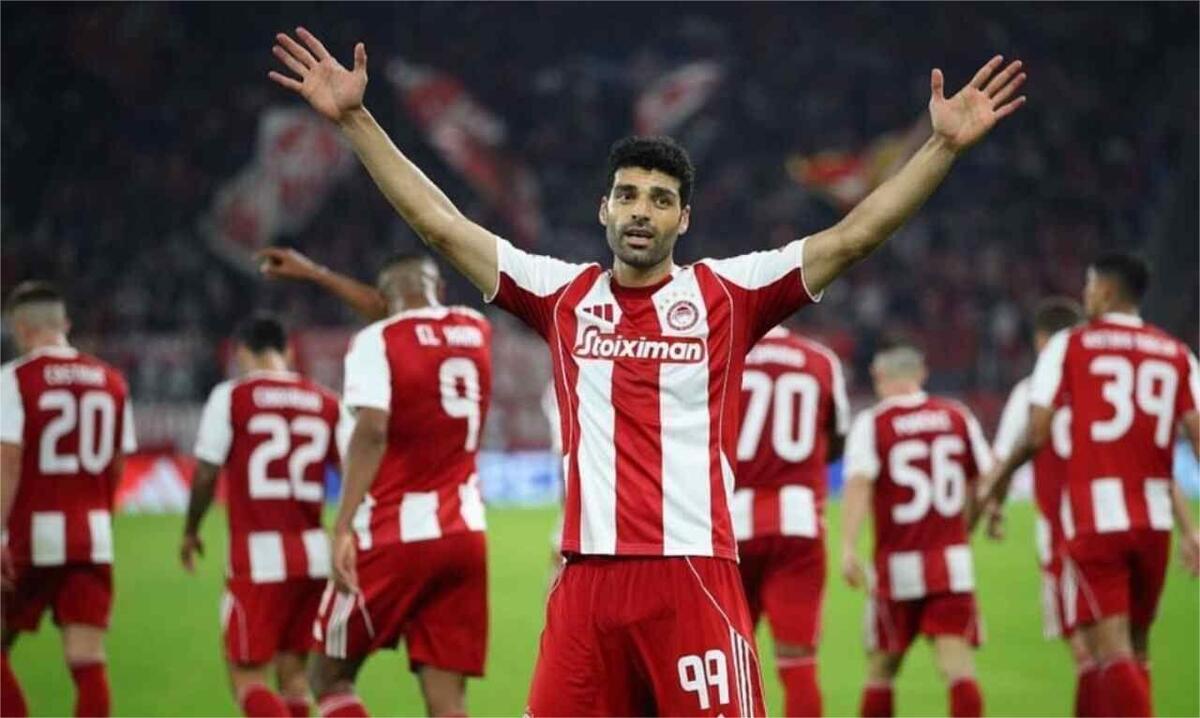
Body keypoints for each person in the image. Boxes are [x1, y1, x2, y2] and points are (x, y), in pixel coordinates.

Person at [268, 26, 1026, 715]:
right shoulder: (562, 296)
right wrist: (355, 121)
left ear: (683, 219)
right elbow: (441, 225)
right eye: (628, 196)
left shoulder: (728, 294)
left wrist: (941, 149)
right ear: (604, 208)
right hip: (587, 586)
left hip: (691, 575)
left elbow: (854, 235)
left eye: (661, 200)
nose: (641, 210)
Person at [275, 253, 492, 718]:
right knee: (448, 700)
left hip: (394, 535)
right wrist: (317, 272)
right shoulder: (476, 329)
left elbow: (372, 430)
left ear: (384, 298)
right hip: (465, 536)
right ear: (438, 289)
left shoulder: (375, 341)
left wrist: (342, 525)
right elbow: (409, 321)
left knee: (327, 676)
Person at [997, 252, 1200, 717]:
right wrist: (1191, 530)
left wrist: (998, 484)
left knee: (1109, 651)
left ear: (1105, 291)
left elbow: (1037, 433)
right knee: (1137, 648)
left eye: (1088, 287)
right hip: (1154, 520)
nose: (1085, 296)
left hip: (1095, 518)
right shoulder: (1176, 353)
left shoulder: (1070, 345)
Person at [181, 314, 353, 718]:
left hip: (257, 559)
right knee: (294, 675)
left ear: (241, 352)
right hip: (315, 556)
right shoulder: (326, 401)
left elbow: (206, 473)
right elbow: (354, 471)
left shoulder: (232, 397)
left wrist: (191, 529)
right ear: (288, 351)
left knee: (246, 677)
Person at [0, 281, 137, 718]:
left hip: (28, 536)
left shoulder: (15, 379)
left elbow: (8, 460)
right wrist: (101, 517)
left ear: (21, 328)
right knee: (87, 661)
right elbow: (117, 464)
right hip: (91, 536)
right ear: (65, 324)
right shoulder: (112, 381)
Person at [840, 340, 993, 718]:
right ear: (921, 374)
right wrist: (974, 521)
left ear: (879, 376)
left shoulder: (874, 423)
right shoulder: (957, 415)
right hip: (952, 565)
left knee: (881, 669)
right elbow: (985, 481)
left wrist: (847, 546)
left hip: (897, 568)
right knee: (957, 667)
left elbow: (859, 483)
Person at [975, 298, 1101, 716]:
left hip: (1063, 535)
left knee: (1087, 651)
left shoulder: (1031, 391)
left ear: (1041, 342)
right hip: (1119, 523)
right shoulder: (1103, 383)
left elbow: (1003, 457)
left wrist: (992, 506)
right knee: (1122, 646)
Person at [732, 325, 849, 717]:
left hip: (730, 527)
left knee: (726, 656)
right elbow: (837, 439)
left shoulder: (726, 349)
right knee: (798, 660)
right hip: (799, 523)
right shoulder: (820, 359)